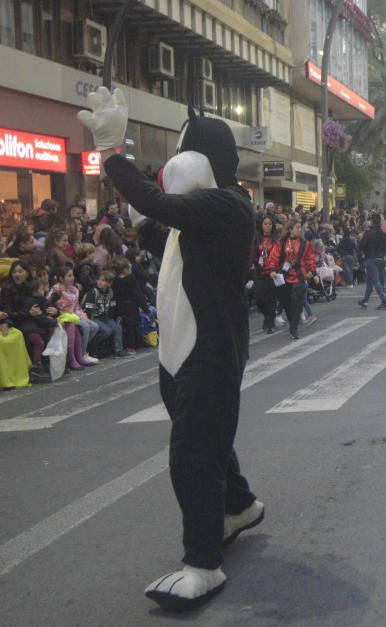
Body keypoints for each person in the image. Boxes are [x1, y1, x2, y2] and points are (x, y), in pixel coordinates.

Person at [80, 90, 263, 610]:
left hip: (209, 350)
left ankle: (202, 563)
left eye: (186, 153)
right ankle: (240, 505)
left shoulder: (229, 204)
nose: (175, 166)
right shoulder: (195, 220)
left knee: (191, 454)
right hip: (177, 352)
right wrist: (126, 172)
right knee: (204, 439)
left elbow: (157, 203)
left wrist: (114, 153)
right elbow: (153, 228)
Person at [266, 219, 315, 340]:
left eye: (300, 227)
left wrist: (312, 272)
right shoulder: (281, 243)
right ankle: (291, 321)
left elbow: (310, 259)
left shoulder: (305, 243)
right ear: (290, 229)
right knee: (287, 303)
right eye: (297, 227)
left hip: (299, 275)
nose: (300, 230)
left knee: (297, 301)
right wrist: (272, 270)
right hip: (285, 276)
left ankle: (294, 329)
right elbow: (274, 257)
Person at [51, 266, 100, 364]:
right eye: (69, 276)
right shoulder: (56, 289)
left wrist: (84, 317)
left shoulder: (74, 290)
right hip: (63, 316)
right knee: (85, 327)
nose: (72, 278)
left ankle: (80, 349)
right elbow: (53, 304)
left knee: (94, 326)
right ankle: (82, 354)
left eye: (72, 275)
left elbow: (76, 307)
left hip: (75, 315)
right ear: (61, 278)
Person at [357, 213, 386, 310]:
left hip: (371, 258)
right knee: (370, 280)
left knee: (375, 281)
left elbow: (361, 246)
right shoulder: (383, 233)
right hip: (381, 258)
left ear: (371, 221)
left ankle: (385, 301)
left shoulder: (369, 233)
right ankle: (365, 300)